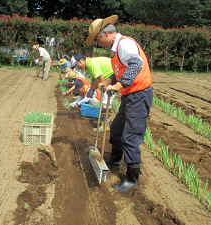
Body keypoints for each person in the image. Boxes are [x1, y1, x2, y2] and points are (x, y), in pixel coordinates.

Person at [85, 15, 153, 193]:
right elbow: (118, 72)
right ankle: (115, 160)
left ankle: (132, 178)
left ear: (106, 34)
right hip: (130, 96)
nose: (99, 44)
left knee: (130, 136)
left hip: (139, 95)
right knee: (116, 129)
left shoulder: (125, 44)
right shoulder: (115, 50)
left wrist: (118, 86)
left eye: (98, 40)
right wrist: (107, 83)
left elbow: (136, 65)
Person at [70, 54, 115, 132]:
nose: (78, 68)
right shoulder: (88, 66)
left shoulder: (92, 64)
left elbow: (100, 80)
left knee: (105, 102)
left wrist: (94, 89)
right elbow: (94, 80)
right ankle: (102, 122)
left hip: (112, 78)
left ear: (82, 60)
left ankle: (105, 126)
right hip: (107, 79)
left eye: (77, 65)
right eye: (76, 67)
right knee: (103, 100)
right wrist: (91, 89)